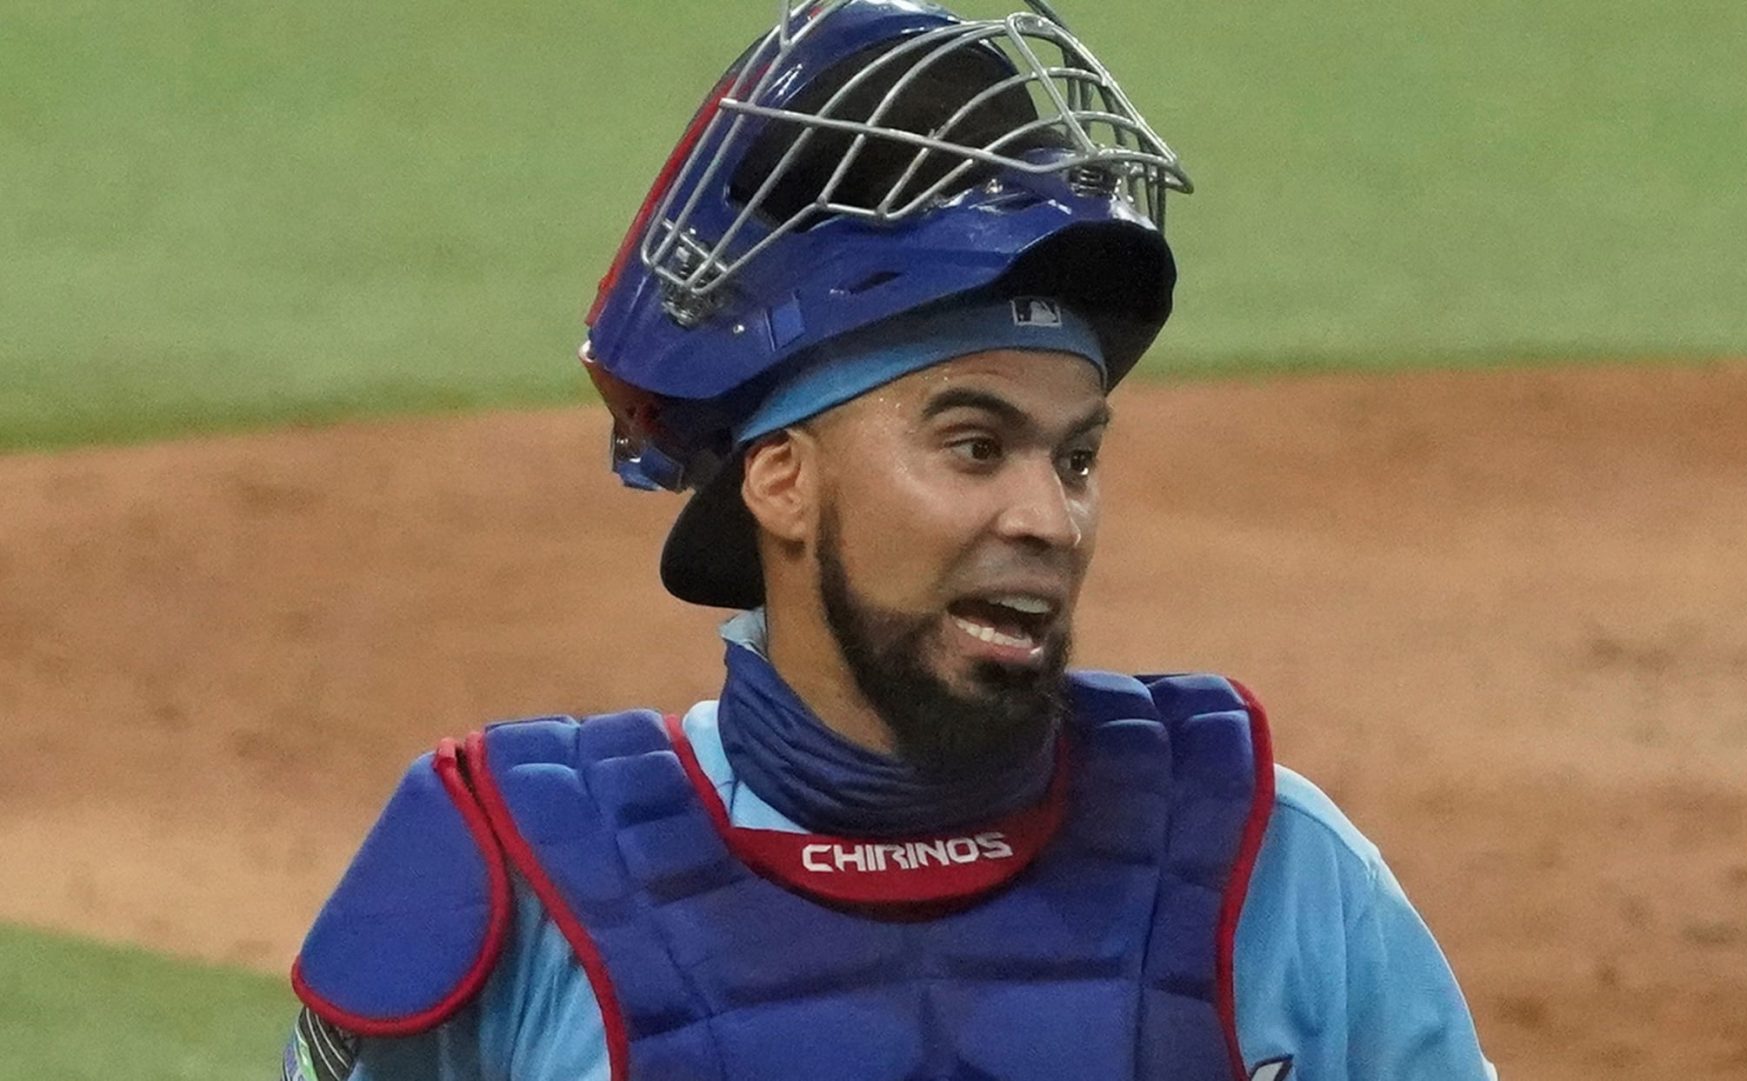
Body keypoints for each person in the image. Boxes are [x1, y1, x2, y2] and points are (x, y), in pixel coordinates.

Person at [283, 2, 1496, 1079]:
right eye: (974, 445)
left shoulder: (1268, 868)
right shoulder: (523, 893)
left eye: (1075, 457)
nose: (1048, 517)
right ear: (781, 479)